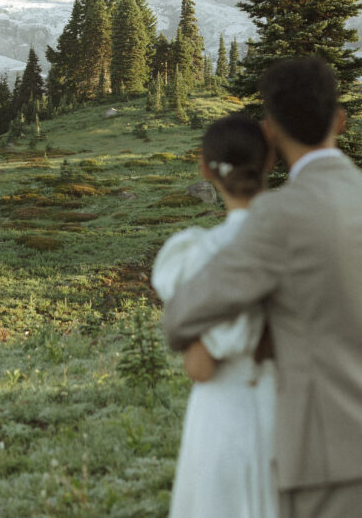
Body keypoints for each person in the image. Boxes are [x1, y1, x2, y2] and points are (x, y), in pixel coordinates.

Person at [163, 57, 362, 518]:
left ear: (269, 132)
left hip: (334, 452)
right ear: (340, 119)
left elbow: (183, 315)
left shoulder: (280, 215)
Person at [152, 113, 278, 518]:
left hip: (225, 413)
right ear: (269, 162)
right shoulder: (304, 242)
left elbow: (201, 367)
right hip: (295, 410)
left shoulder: (199, 257)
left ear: (205, 169)